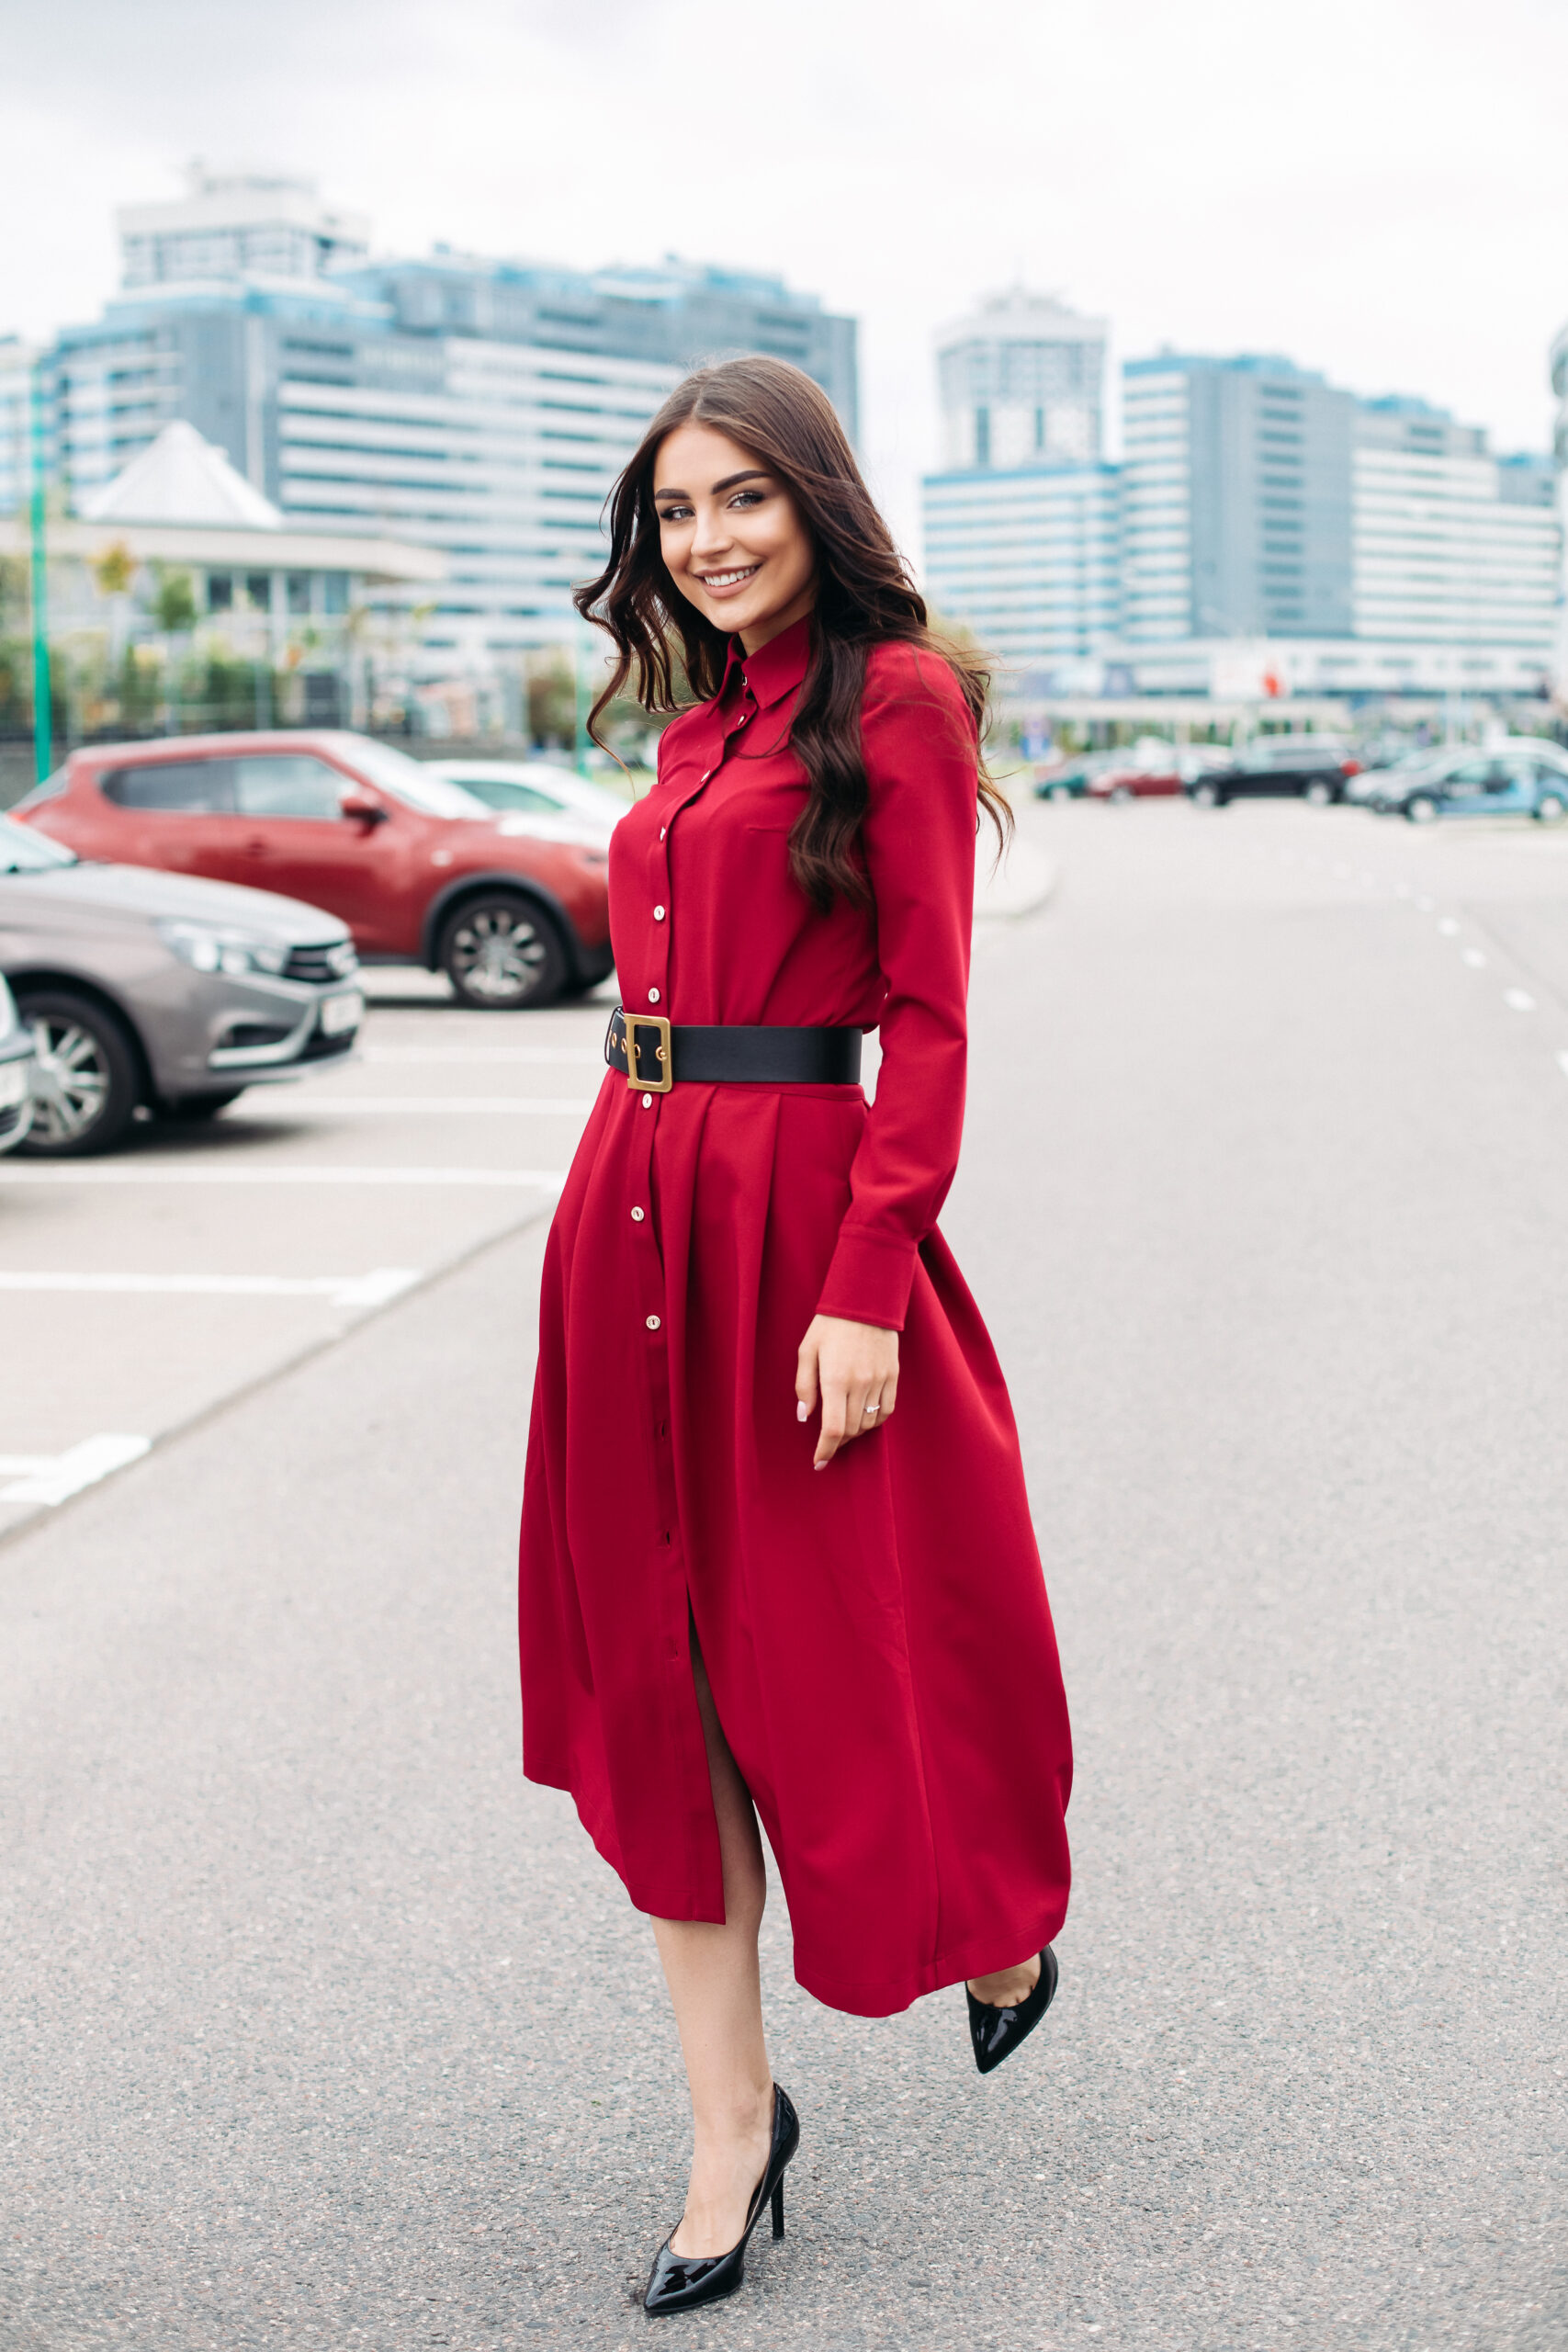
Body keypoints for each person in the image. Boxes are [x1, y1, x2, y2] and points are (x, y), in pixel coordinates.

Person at [518, 355, 1073, 2317]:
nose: (706, 539)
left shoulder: (894, 699)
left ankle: (994, 1927)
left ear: (812, 499)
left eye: (739, 498)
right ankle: (727, 2132)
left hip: (796, 1221)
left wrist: (862, 1282)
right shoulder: (693, 721)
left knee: (833, 1659)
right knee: (660, 1686)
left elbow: (923, 1017)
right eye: (674, 513)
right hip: (632, 1207)